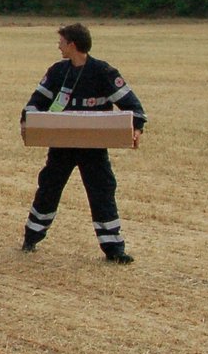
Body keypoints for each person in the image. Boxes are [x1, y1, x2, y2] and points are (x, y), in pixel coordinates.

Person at [21, 22, 146, 264]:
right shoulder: (57, 72)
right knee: (48, 188)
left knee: (102, 193)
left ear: (73, 44)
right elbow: (36, 102)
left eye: (61, 42)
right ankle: (31, 237)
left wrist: (137, 128)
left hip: (93, 149)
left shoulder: (104, 72)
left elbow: (133, 106)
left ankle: (114, 248)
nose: (58, 46)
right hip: (62, 146)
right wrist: (27, 121)